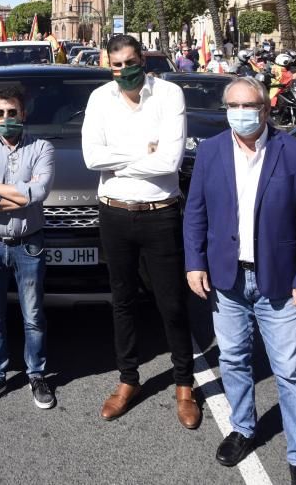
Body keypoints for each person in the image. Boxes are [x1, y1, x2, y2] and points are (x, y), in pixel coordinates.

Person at [184, 77, 296, 485]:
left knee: (290, 371)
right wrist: (195, 262)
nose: (240, 113)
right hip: (227, 279)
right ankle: (243, 428)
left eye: (248, 105)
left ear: (265, 109)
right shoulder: (211, 152)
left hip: (280, 282)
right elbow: (196, 213)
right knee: (232, 359)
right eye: (232, 105)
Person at [82, 34, 201, 429]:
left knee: (171, 302)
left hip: (160, 214)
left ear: (143, 60)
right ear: (109, 66)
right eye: (116, 65)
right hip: (114, 213)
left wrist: (119, 160)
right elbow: (90, 157)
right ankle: (128, 380)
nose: (124, 71)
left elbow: (169, 162)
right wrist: (143, 152)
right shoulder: (100, 98)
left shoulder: (168, 95)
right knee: (123, 301)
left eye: (130, 62)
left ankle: (184, 384)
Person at [0, 87, 56, 410]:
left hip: (28, 244)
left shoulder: (42, 147)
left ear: (23, 114)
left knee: (33, 315)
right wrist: (19, 195)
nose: (5, 119)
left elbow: (40, 191)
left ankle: (37, 374)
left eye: (11, 113)